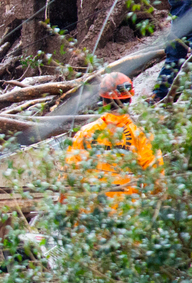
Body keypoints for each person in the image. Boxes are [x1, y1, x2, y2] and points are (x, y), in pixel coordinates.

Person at [66, 72, 162, 201]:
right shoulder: (141, 135)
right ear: (130, 100)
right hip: (129, 213)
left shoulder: (84, 134)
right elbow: (156, 181)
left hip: (93, 212)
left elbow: (68, 177)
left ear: (103, 102)